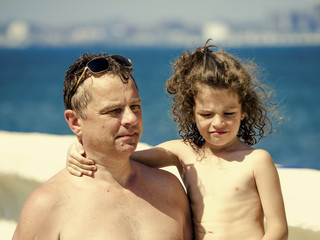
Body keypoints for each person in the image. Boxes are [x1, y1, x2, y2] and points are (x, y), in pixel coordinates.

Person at [67, 40, 288, 240]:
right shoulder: (184, 152)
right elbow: (122, 158)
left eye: (229, 113)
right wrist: (81, 148)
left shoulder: (257, 161)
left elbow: (278, 228)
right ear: (192, 114)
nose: (218, 123)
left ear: (244, 111)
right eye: (207, 114)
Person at [12, 53, 193, 239]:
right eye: (114, 110)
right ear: (75, 122)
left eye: (135, 106)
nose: (131, 119)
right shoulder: (48, 205)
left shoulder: (169, 189)